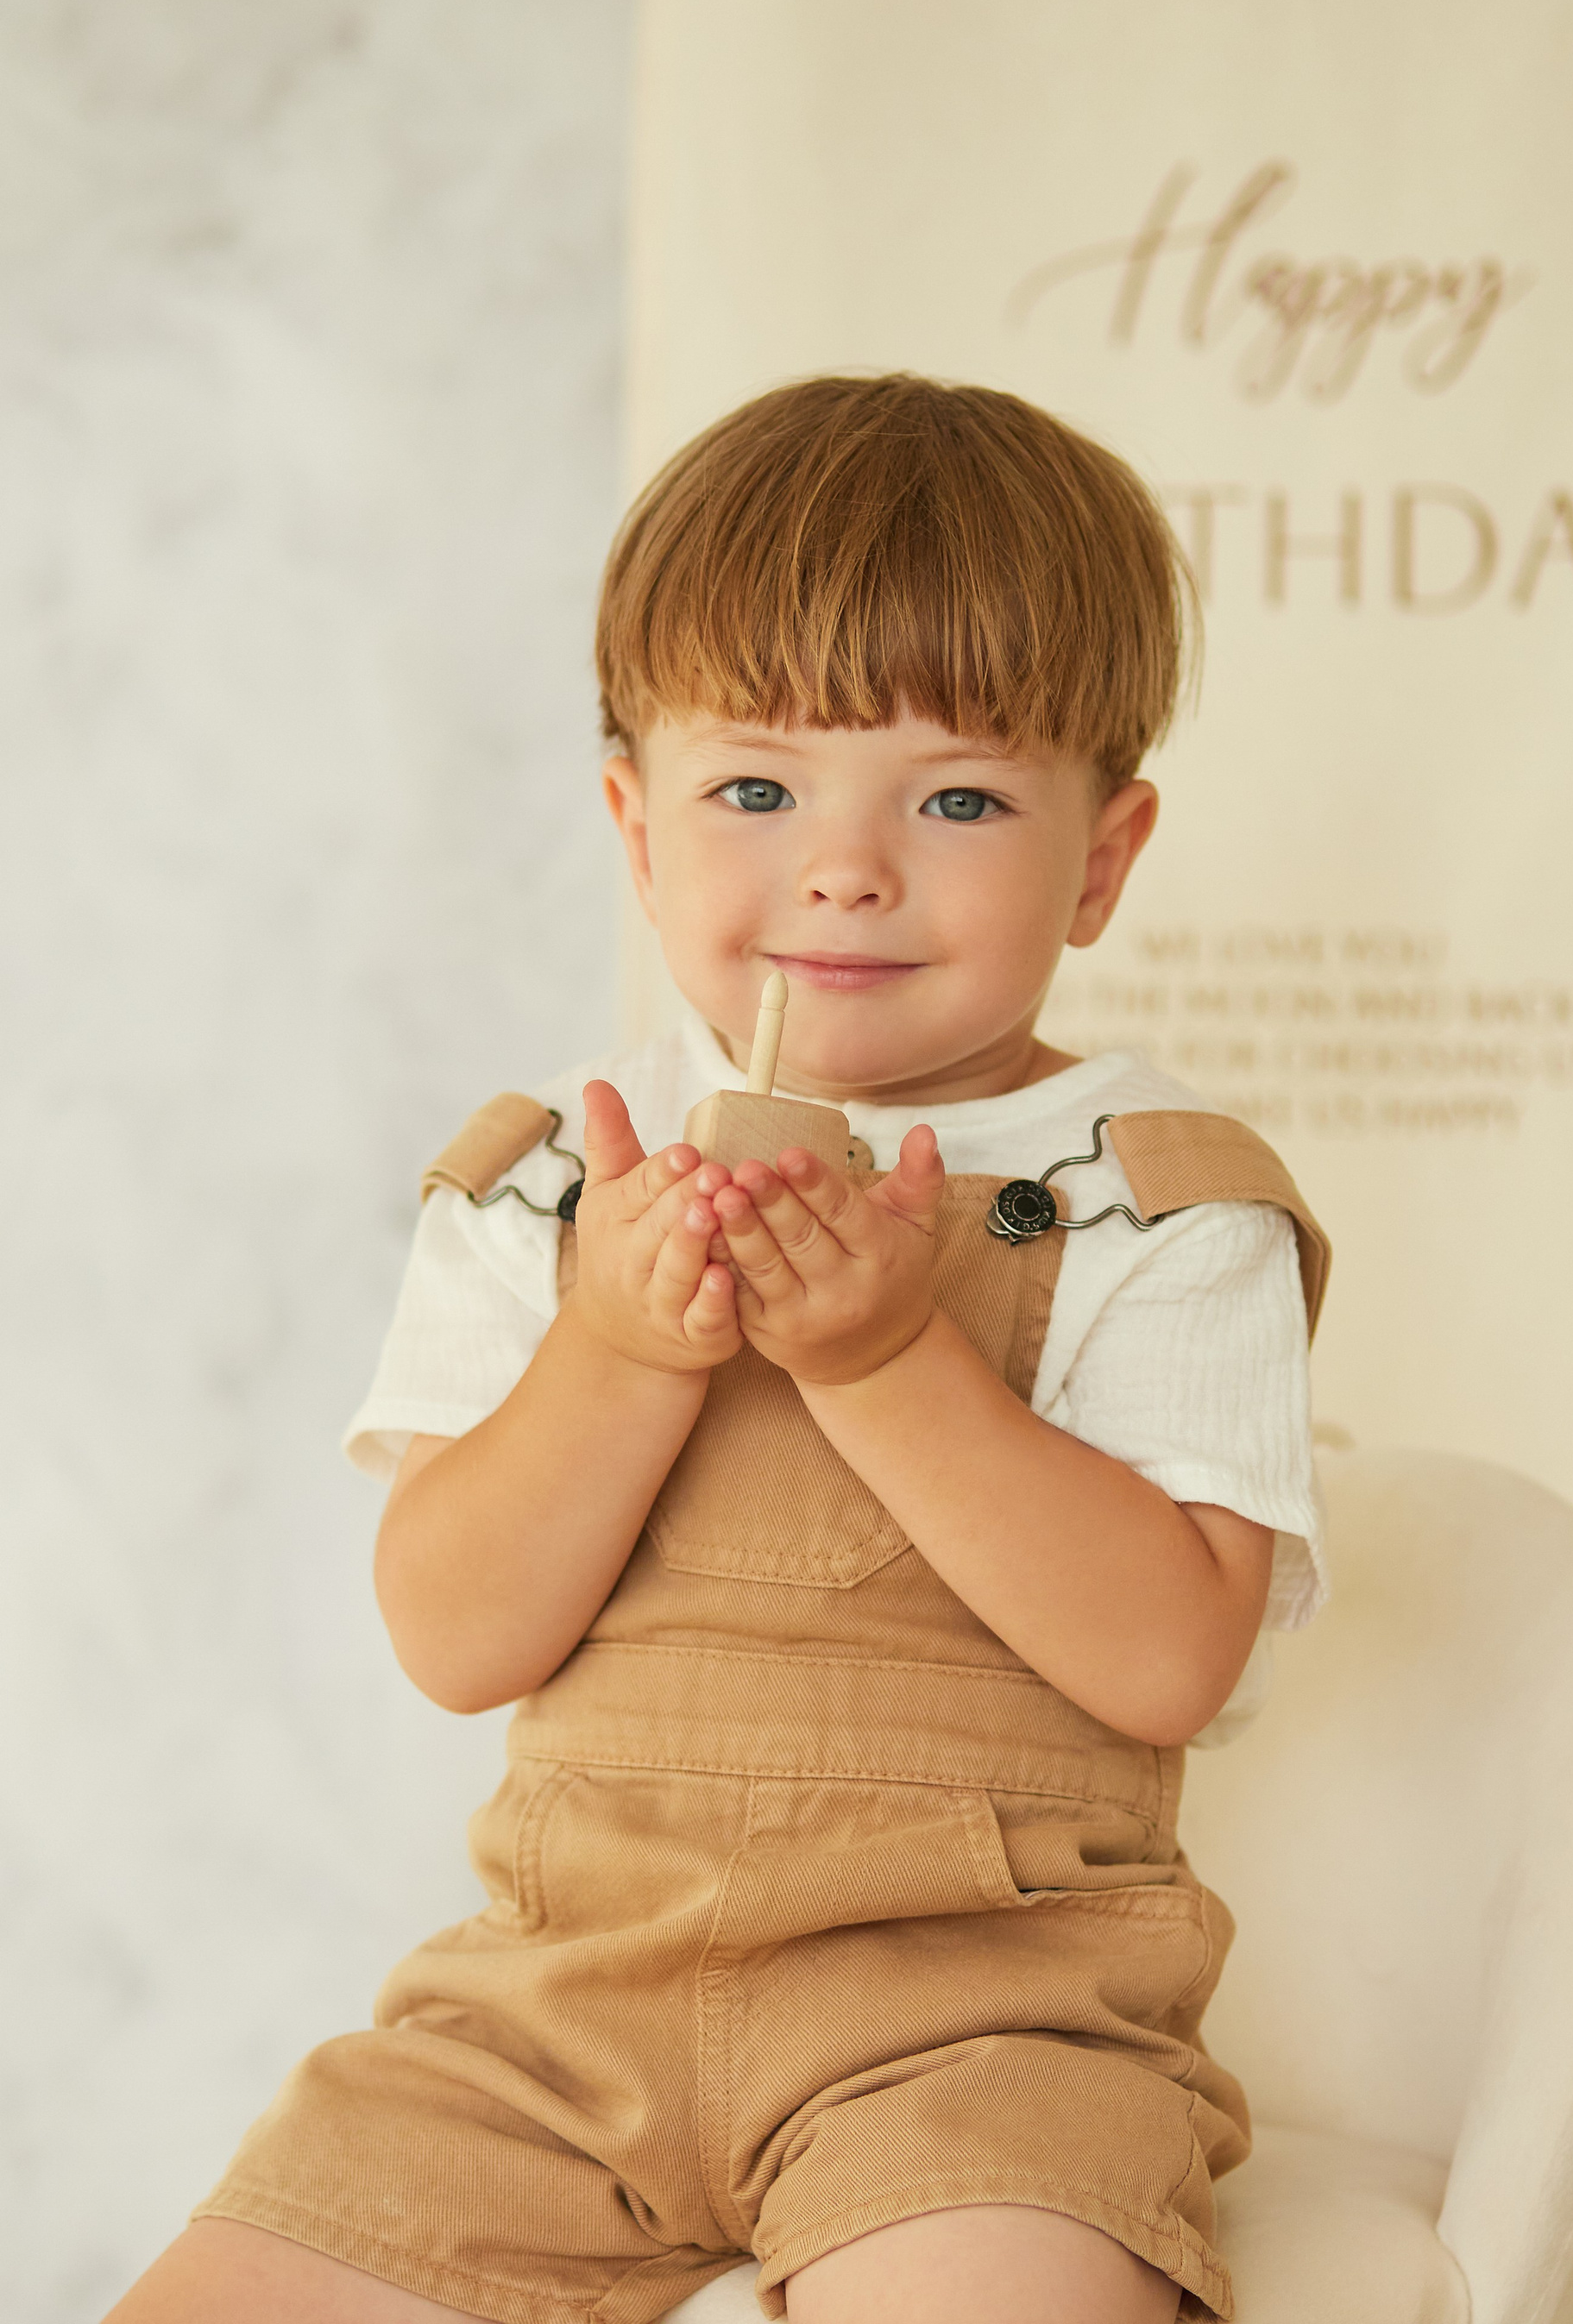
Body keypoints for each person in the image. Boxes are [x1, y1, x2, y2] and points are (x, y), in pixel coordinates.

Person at [109, 375, 1327, 2324]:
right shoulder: (547, 1183)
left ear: (1104, 858)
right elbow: (455, 1636)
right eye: (757, 792)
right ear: (636, 825)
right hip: (550, 2018)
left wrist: (885, 1358)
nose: (845, 869)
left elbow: (1169, 1654)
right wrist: (614, 1348)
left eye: (959, 799)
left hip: (979, 2023)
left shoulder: (1151, 1202)